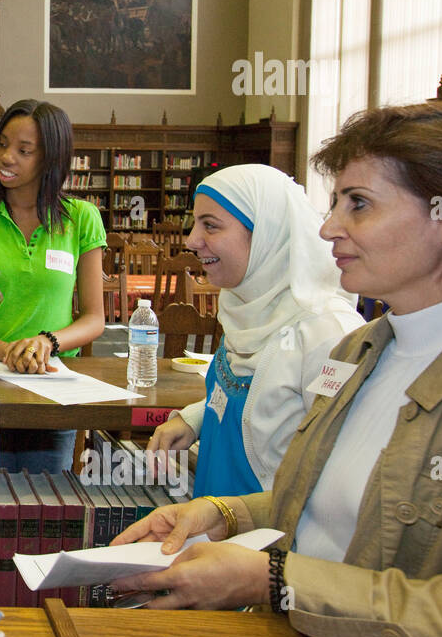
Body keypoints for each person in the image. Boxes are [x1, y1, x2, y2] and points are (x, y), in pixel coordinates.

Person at [112, 99, 442, 637]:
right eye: (335, 202)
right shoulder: (360, 352)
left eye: (359, 204)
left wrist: (274, 579)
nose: (329, 227)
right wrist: (224, 514)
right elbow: (328, 503)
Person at [146, 164, 363, 495]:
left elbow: (342, 477)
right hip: (217, 531)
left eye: (211, 226)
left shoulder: (328, 333)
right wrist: (195, 419)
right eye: (195, 224)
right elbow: (253, 402)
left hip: (269, 541)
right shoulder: (245, 308)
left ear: (265, 233)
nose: (191, 240)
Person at [0, 100, 104, 472]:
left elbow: (95, 318)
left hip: (52, 388)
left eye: (23, 150)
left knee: (42, 509)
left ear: (51, 158)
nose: (6, 157)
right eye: (2, 144)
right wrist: (5, 352)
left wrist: (45, 343)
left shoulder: (82, 219)